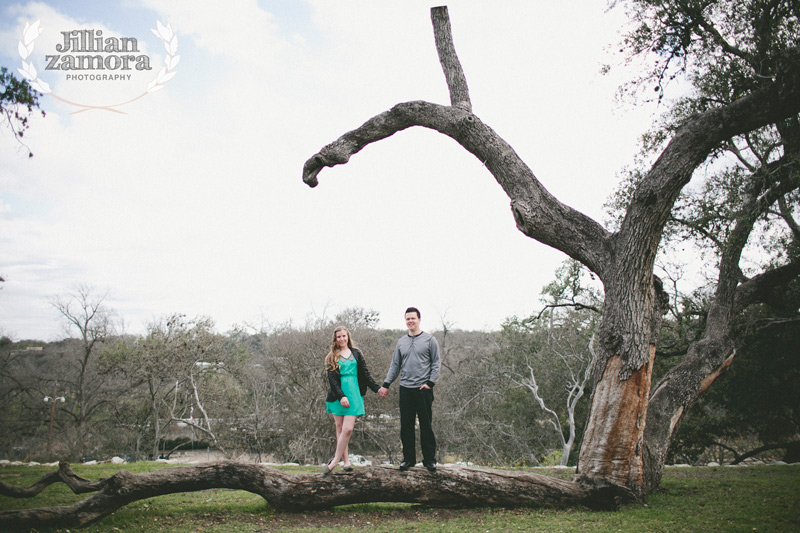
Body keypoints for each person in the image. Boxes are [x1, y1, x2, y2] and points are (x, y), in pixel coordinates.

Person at [378, 307, 441, 472]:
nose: (410, 321)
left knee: (425, 425)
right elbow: (395, 365)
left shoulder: (429, 340)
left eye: (413, 318)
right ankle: (408, 460)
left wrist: (430, 383)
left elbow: (436, 363)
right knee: (406, 426)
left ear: (419, 319)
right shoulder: (401, 342)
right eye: (407, 319)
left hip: (423, 389)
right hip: (405, 389)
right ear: (405, 321)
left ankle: (429, 460)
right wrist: (386, 384)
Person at [323, 326, 381, 475]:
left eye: (344, 336)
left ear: (348, 337)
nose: (342, 339)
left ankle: (335, 460)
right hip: (337, 395)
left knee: (348, 429)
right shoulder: (332, 356)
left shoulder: (356, 353)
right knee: (340, 428)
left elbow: (365, 374)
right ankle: (346, 462)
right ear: (335, 339)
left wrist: (377, 388)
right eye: (339, 337)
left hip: (354, 393)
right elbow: (332, 380)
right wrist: (341, 396)